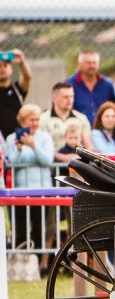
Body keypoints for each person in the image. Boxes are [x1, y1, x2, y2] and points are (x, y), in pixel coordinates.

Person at [5, 104, 55, 260]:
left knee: (40, 227)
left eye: (37, 119)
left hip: (42, 190)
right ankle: (21, 261)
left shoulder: (45, 137)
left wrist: (33, 146)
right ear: (22, 121)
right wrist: (19, 150)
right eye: (31, 120)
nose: (34, 123)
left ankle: (38, 263)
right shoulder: (11, 138)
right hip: (21, 189)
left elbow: (48, 160)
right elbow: (12, 163)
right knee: (21, 227)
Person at [66, 50, 115, 124]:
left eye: (94, 63)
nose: (92, 66)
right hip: (78, 131)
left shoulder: (107, 84)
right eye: (88, 63)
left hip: (103, 132)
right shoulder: (69, 85)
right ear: (79, 64)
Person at [40, 82, 92, 150]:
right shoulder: (43, 119)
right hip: (53, 159)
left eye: (71, 96)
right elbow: (41, 148)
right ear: (54, 98)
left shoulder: (82, 118)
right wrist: (64, 157)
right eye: (66, 97)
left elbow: (89, 146)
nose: (70, 100)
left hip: (77, 158)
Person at [0, 48, 33, 137]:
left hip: (17, 137)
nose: (2, 69)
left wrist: (22, 62)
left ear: (11, 69)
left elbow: (27, 78)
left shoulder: (17, 89)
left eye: (5, 66)